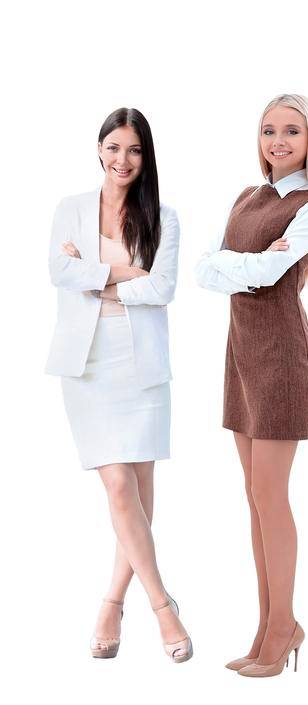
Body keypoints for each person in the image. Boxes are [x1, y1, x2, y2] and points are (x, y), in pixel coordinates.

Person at [193, 94, 308, 678]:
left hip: (281, 361)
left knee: (271, 498)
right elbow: (204, 269)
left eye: (291, 132)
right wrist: (239, 265)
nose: (278, 141)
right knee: (253, 500)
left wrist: (238, 264)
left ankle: (284, 627)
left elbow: (270, 273)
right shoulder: (246, 197)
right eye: (269, 131)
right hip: (241, 356)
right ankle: (267, 623)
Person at [48, 107, 190, 663]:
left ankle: (111, 601)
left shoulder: (164, 217)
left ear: (145, 156)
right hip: (87, 366)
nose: (122, 159)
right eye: (113, 147)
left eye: (133, 150)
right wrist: (123, 274)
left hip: (142, 365)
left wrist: (98, 279)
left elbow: (163, 288)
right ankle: (163, 607)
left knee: (138, 494)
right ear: (99, 149)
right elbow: (59, 273)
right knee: (117, 486)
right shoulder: (71, 210)